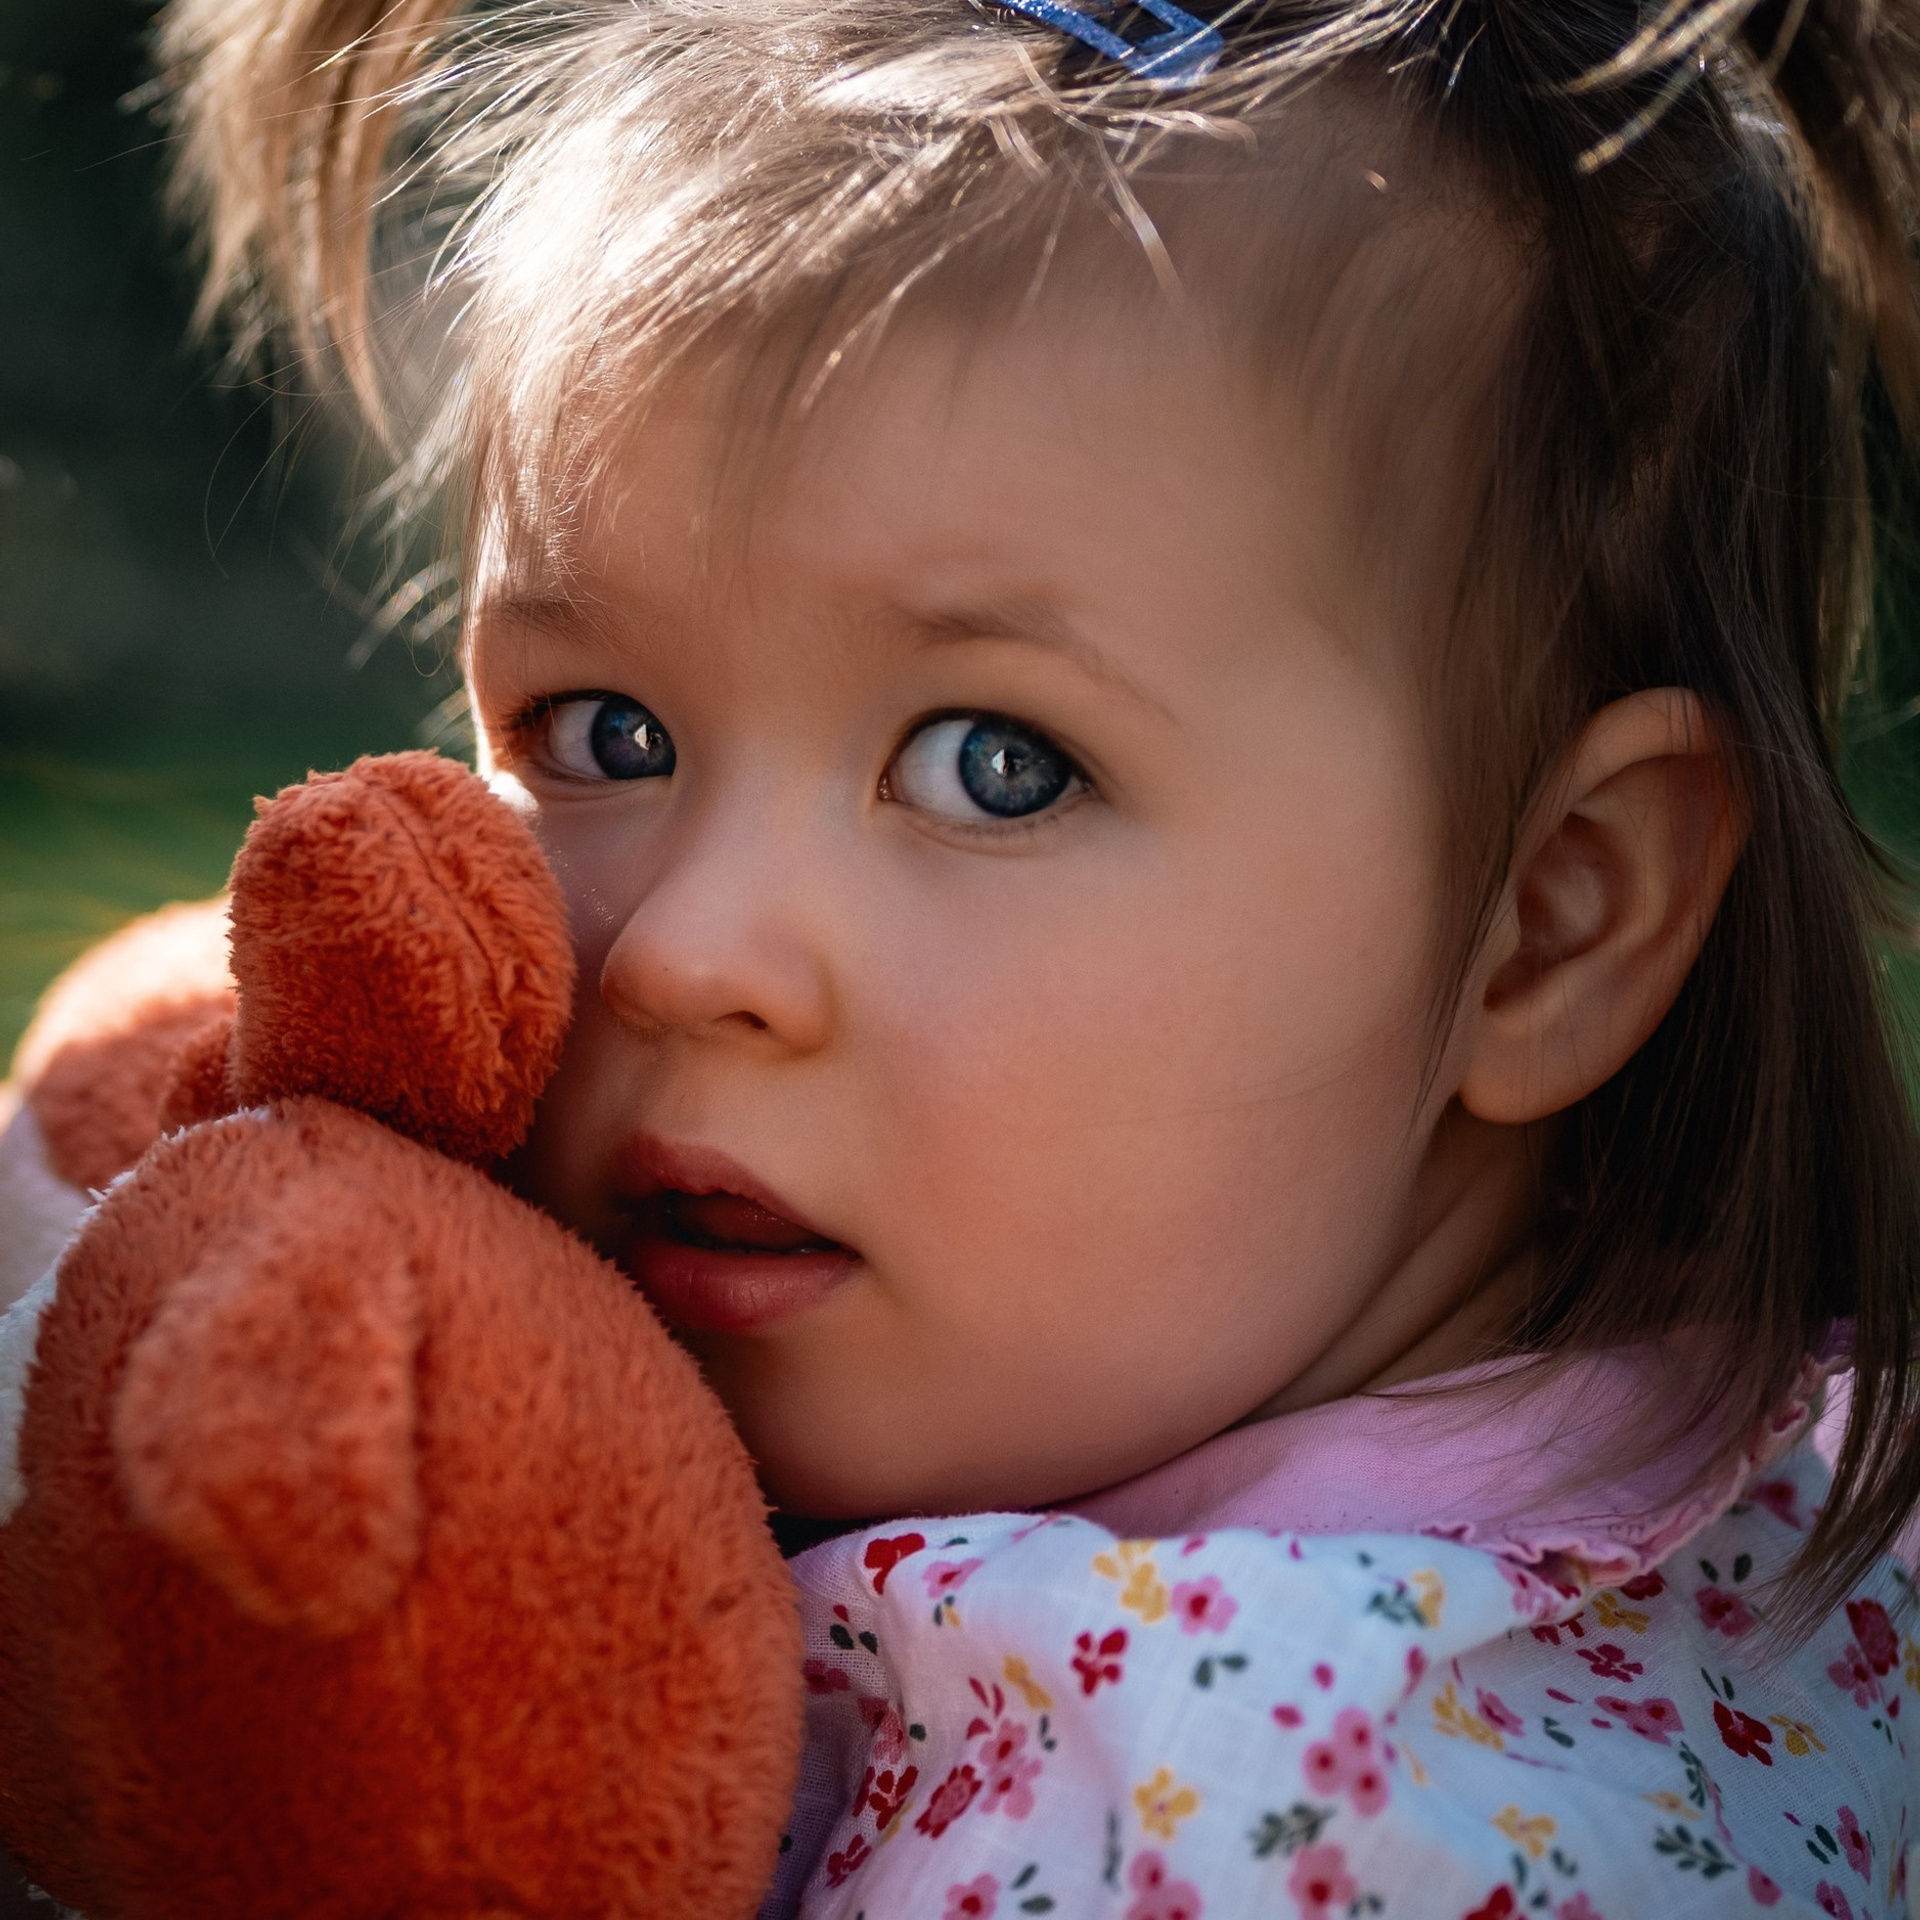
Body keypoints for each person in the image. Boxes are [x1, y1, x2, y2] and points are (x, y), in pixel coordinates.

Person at [42, 0, 1920, 1910]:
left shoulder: (1267, 1811)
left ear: (1548, 920)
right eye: (608, 734)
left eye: (994, 767)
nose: (688, 957)